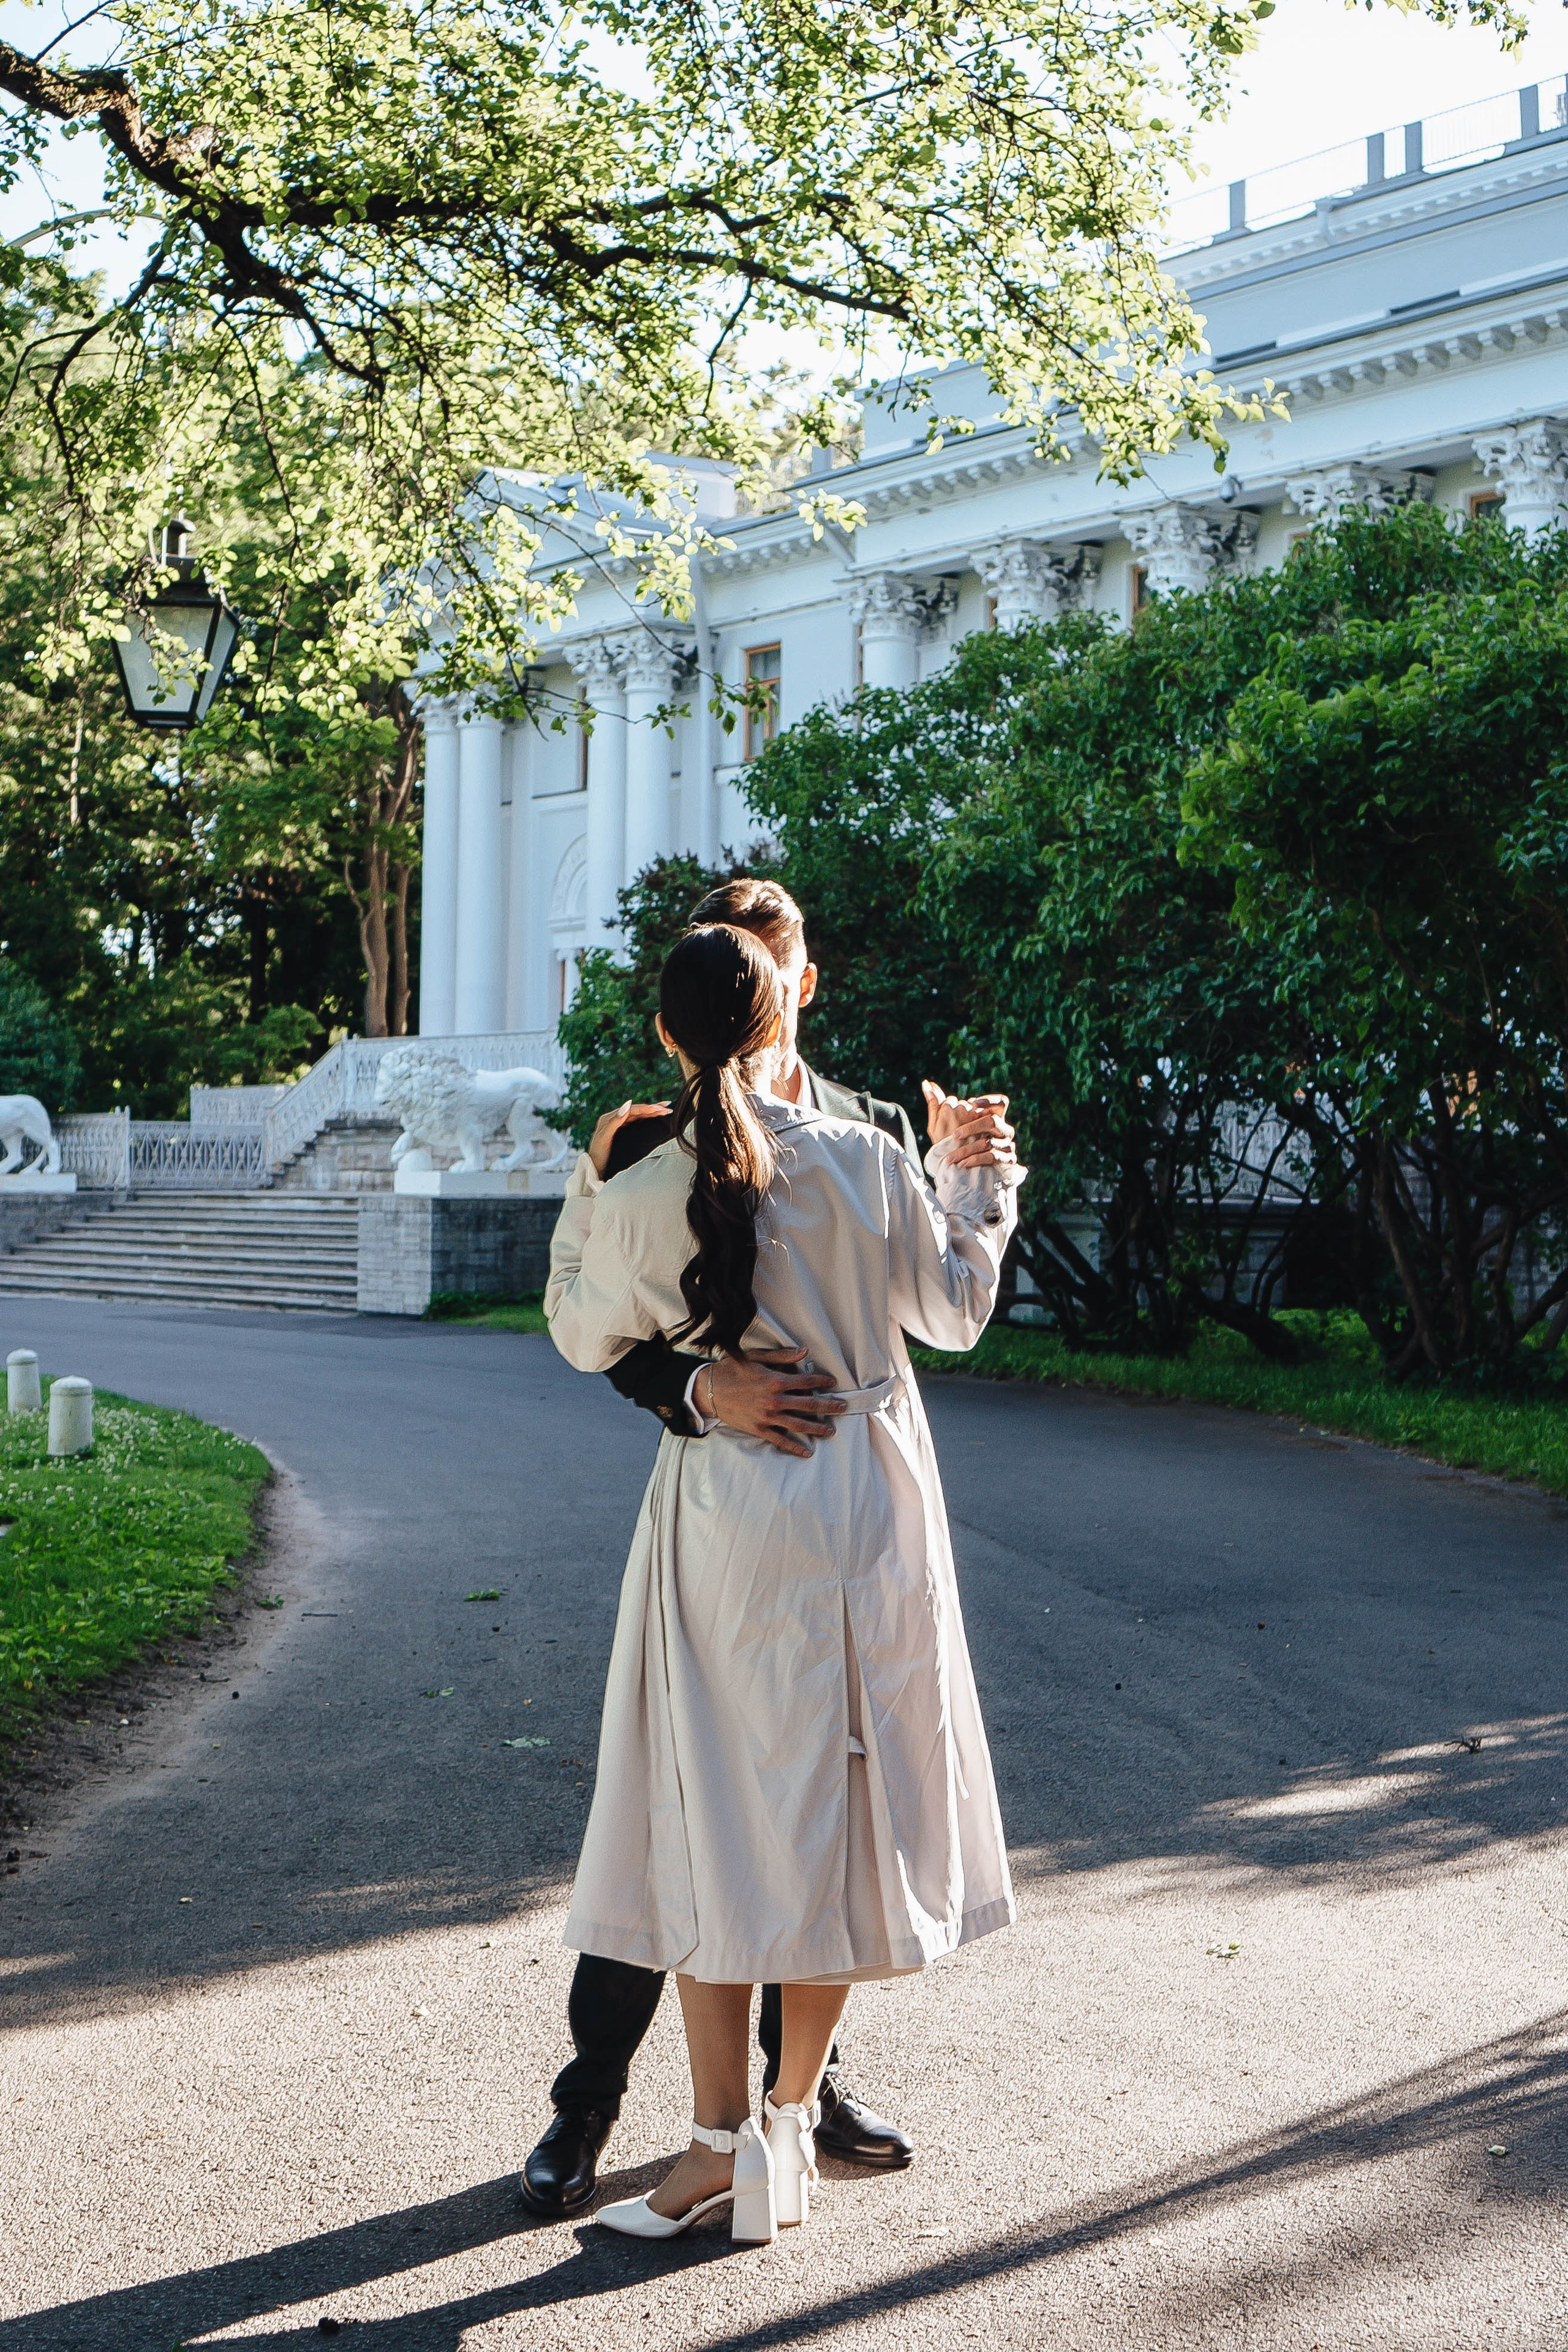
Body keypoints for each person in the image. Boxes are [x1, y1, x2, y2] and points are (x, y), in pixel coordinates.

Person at [544, 921, 1021, 2242]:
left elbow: (581, 1326)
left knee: (712, 1814)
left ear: (667, 1036)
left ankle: (715, 2148)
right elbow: (955, 1310)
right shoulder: (866, 1156)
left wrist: (592, 1184)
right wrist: (975, 1178)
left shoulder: (648, 1178)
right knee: (844, 1812)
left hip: (731, 1521)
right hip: (866, 1502)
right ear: (780, 1022)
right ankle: (790, 2124)